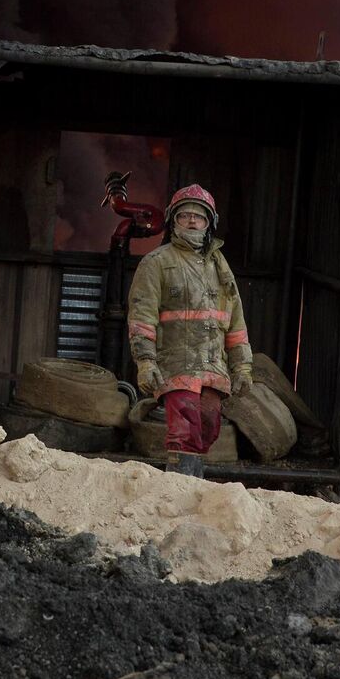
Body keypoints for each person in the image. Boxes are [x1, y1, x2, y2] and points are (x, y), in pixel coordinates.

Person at [127, 184, 253, 477]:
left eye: (199, 216)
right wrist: (146, 362)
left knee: (208, 427)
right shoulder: (157, 263)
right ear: (174, 221)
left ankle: (190, 482)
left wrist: (243, 367)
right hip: (176, 364)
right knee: (183, 431)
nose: (193, 221)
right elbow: (142, 316)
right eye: (185, 216)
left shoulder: (220, 266)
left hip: (213, 368)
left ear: (209, 223)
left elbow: (235, 322)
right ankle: (181, 489)